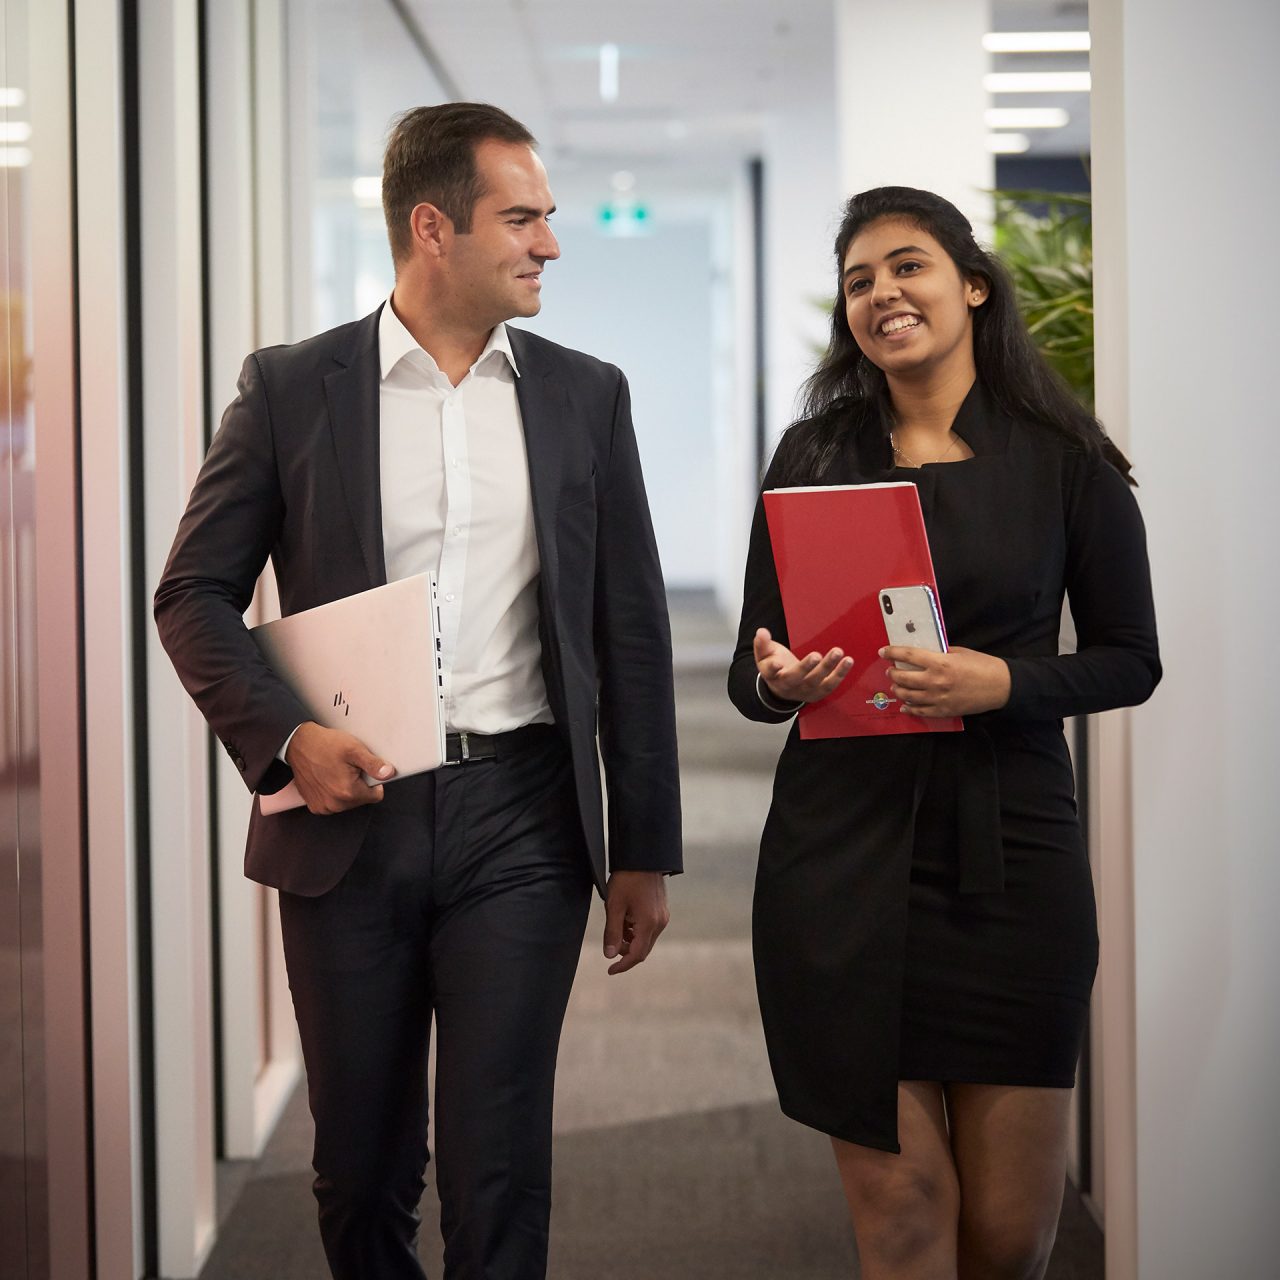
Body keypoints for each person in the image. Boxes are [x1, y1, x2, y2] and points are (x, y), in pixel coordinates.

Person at [155, 102, 681, 1280]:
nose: (550, 244)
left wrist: (641, 842)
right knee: (361, 1166)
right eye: (523, 218)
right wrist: (289, 737)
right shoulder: (293, 389)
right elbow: (190, 594)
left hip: (523, 817)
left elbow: (630, 632)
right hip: (353, 818)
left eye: (547, 218)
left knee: (500, 1171)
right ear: (430, 226)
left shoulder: (583, 394)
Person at [728, 186, 1160, 1280]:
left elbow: (1129, 656)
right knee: (903, 1211)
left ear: (971, 285)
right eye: (859, 280)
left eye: (906, 266)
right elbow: (751, 667)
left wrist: (1001, 680)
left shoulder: (1063, 460)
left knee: (1008, 1234)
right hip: (840, 856)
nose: (881, 294)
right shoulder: (813, 452)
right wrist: (783, 679)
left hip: (1010, 854)